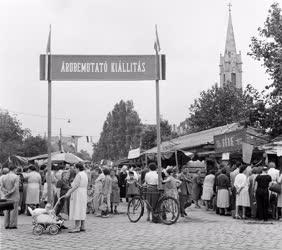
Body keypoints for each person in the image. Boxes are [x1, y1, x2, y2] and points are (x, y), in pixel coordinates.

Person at [65, 163, 88, 233]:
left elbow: (76, 185)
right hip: (83, 192)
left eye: (75, 168)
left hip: (78, 193)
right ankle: (83, 226)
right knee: (82, 208)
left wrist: (69, 192)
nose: (74, 170)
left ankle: (77, 226)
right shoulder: (84, 174)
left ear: (78, 168)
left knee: (77, 208)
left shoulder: (79, 174)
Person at [1, 164, 20, 229]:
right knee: (13, 210)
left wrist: (6, 192)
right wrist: (10, 192)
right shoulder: (16, 177)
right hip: (14, 195)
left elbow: (1, 187)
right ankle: (12, 225)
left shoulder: (3, 177)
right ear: (14, 169)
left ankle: (6, 224)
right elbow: (15, 187)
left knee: (6, 210)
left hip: (5, 196)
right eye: (16, 169)